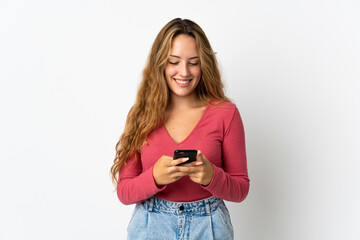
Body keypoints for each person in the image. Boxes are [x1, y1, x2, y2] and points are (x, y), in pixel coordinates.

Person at [110, 18, 249, 240]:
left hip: (209, 226)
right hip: (150, 225)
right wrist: (155, 177)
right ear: (160, 63)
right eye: (174, 61)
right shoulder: (140, 114)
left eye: (193, 62)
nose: (184, 72)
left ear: (204, 65)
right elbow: (125, 192)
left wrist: (210, 175)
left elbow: (241, 189)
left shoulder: (226, 113)